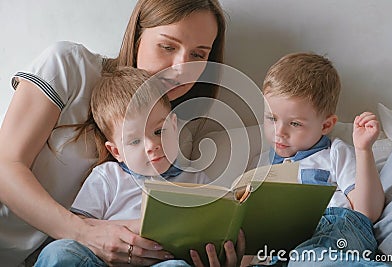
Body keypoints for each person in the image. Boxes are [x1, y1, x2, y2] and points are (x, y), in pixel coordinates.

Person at [0, 0, 245, 266]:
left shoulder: (175, 139)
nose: (181, 68)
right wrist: (85, 233)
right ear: (137, 37)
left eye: (197, 55)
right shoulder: (71, 66)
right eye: (167, 46)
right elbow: (5, 165)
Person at [35, 67, 220, 266]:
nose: (151, 146)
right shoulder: (108, 176)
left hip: (163, 262)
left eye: (159, 131)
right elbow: (81, 225)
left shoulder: (197, 179)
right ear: (116, 152)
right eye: (134, 141)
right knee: (58, 252)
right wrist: (132, 227)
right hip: (106, 262)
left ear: (174, 126)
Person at [249, 52, 387, 266]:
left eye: (294, 123)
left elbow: (367, 212)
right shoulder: (261, 164)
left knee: (306, 260)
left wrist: (363, 150)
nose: (279, 132)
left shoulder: (335, 153)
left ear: (326, 125)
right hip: (283, 247)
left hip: (334, 226)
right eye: (271, 118)